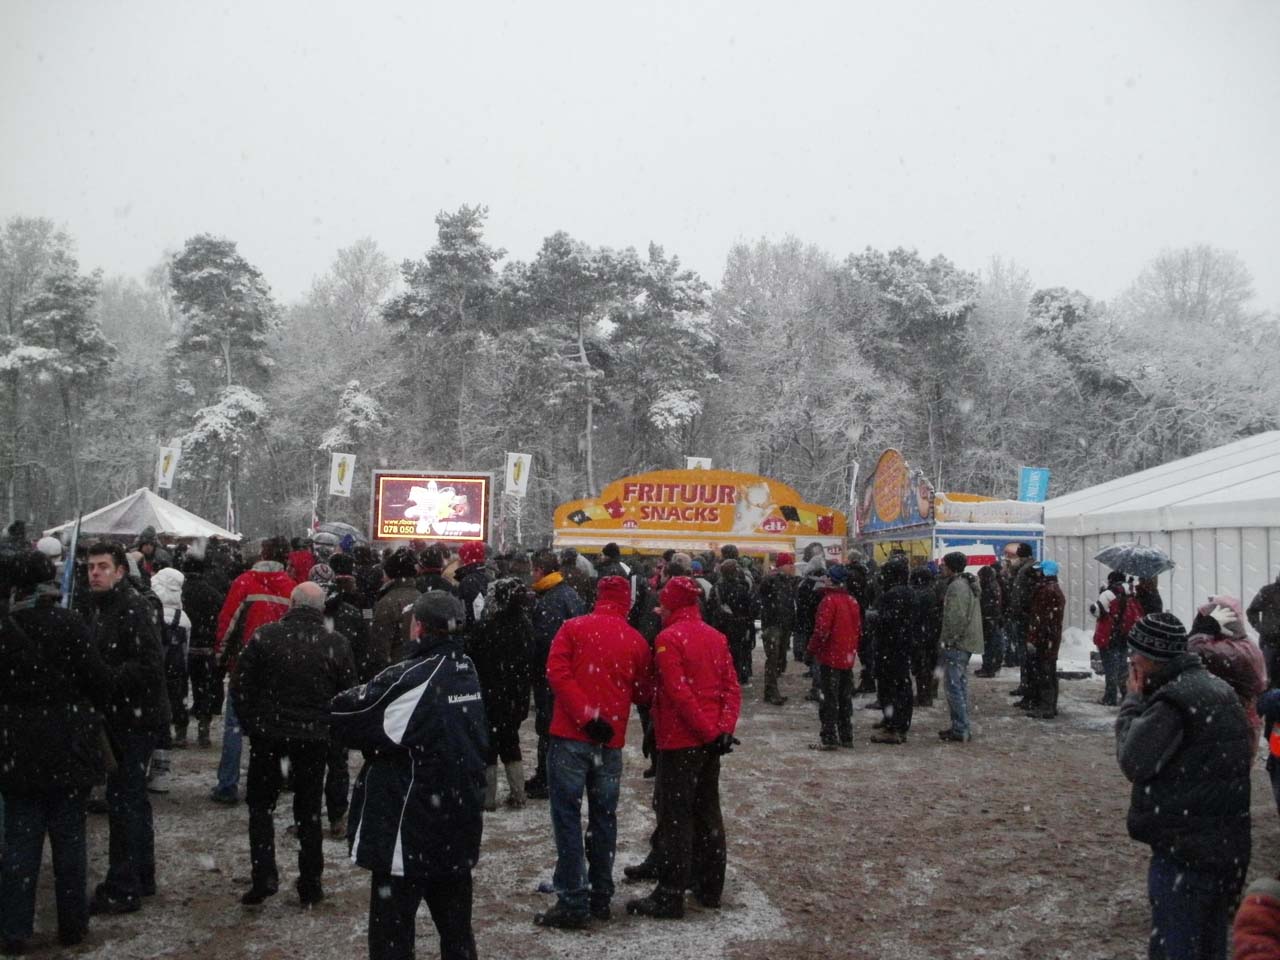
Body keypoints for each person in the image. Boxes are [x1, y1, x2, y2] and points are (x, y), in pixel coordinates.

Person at [329, 590, 488, 960]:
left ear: (418, 626)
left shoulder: (414, 677)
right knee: (457, 931)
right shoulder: (466, 669)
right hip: (457, 818)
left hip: (410, 823)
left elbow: (350, 717)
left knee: (392, 934)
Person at [1116, 612, 1252, 960]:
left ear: (1153, 657)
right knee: (1210, 944)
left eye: (1135, 652)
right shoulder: (1218, 689)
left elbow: (1134, 760)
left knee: (1176, 946)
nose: (1130, 659)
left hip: (1185, 852)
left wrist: (1132, 702)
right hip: (1225, 846)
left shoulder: (1174, 702)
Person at [0, 552, 112, 952]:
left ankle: (14, 929)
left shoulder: (7, 628)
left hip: (16, 746)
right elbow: (100, 679)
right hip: (68, 743)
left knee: (19, 844)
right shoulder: (69, 623)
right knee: (69, 841)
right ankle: (72, 923)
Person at [534, 575, 653, 929]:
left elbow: (556, 672)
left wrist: (585, 714)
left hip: (571, 735)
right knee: (604, 818)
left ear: (597, 597)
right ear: (626, 603)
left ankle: (573, 895)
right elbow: (644, 692)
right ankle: (600, 893)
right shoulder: (635, 641)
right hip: (609, 742)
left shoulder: (573, 628)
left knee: (567, 817)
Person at [231, 582, 357, 907]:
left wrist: (253, 725)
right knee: (309, 810)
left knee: (261, 807)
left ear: (291, 603)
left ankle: (264, 875)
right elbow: (348, 694)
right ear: (320, 608)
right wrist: (331, 730)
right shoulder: (335, 643)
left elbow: (240, 685)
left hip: (270, 737)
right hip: (312, 739)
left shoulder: (266, 636)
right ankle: (310, 882)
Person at [627, 577, 740, 920]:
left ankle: (671, 893)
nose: (659, 609)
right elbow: (731, 687)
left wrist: (707, 732)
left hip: (680, 740)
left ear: (672, 605)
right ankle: (709, 887)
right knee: (707, 813)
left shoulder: (668, 639)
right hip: (709, 742)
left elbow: (677, 692)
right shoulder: (715, 637)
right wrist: (723, 729)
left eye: (663, 604)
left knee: (675, 816)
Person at [85, 540, 169, 915]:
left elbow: (150, 663)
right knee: (131, 799)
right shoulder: (103, 607)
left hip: (134, 718)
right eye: (91, 567)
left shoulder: (131, 607)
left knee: (125, 801)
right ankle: (140, 875)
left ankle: (124, 884)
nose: (95, 573)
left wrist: (106, 678)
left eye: (103, 566)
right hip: (126, 715)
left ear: (120, 571)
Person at [209, 537, 295, 805]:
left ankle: (227, 785)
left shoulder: (244, 582)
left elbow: (228, 622)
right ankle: (272, 780)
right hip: (278, 668)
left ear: (262, 554)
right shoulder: (291, 587)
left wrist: (220, 658)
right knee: (276, 726)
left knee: (234, 727)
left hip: (244, 665)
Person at [465, 577, 533, 810]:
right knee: (511, 742)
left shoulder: (486, 627)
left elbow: (471, 656)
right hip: (516, 695)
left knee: (489, 747)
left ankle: (487, 798)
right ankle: (518, 793)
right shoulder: (525, 626)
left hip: (489, 694)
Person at [525, 549, 585, 800]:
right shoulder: (569, 593)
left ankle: (547, 778)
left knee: (548, 725)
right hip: (570, 672)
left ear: (539, 570)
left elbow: (546, 643)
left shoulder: (549, 599)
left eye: (533, 569)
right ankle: (554, 775)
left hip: (552, 675)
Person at [1188, 596, 1266, 749]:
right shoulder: (1245, 645)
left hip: (1231, 727)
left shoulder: (1229, 651)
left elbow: (1191, 651)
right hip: (1241, 723)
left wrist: (1203, 629)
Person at [806, 565, 861, 750]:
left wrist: (811, 650)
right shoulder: (852, 601)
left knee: (829, 697)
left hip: (830, 656)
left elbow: (822, 631)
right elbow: (857, 629)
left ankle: (829, 736)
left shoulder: (829, 601)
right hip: (846, 656)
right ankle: (846, 734)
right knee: (844, 697)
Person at [180, 547, 225, 748]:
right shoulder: (212, 593)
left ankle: (180, 731)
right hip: (205, 647)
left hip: (182, 647)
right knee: (204, 688)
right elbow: (220, 618)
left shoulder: (179, 591)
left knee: (179, 688)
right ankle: (203, 729)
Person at [937, 552, 983, 743]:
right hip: (967, 641)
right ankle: (961, 726)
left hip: (958, 643)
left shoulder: (956, 587)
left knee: (954, 686)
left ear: (951, 567)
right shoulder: (967, 584)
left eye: (944, 565)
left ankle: (960, 727)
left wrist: (948, 639)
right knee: (959, 685)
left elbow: (955, 617)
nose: (942, 568)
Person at [869, 558, 915, 745]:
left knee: (891, 687)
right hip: (902, 647)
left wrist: (873, 617)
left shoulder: (892, 595)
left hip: (890, 648)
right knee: (901, 686)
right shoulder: (909, 593)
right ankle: (896, 722)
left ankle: (894, 726)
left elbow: (888, 622)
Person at [150, 566, 192, 751]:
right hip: (176, 665)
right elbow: (186, 647)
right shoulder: (183, 617)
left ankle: (160, 730)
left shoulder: (149, 611)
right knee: (177, 696)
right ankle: (180, 730)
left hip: (157, 663)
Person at [1090, 571, 1142, 706]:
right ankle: (1126, 695)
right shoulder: (1131, 592)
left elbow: (1096, 612)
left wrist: (1100, 598)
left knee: (1110, 668)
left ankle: (1110, 697)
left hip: (1109, 636)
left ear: (1111, 580)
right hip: (1124, 635)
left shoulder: (1107, 594)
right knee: (1122, 667)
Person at [1023, 560, 1065, 720]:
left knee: (1045, 672)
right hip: (1049, 637)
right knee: (1048, 671)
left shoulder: (1046, 590)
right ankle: (1049, 705)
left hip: (1045, 638)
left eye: (1039, 571)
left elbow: (1040, 618)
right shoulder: (1052, 589)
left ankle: (1046, 706)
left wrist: (1033, 637)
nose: (1036, 573)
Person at [369, 548, 420, 675]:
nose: (382, 578)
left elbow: (379, 649)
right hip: (418, 670)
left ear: (391, 575)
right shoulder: (422, 597)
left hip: (395, 673)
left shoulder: (387, 603)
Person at [757, 553, 797, 707]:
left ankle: (771, 690)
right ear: (782, 566)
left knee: (779, 659)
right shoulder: (772, 580)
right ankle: (772, 691)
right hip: (774, 625)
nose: (792, 567)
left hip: (782, 624)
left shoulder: (787, 581)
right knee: (773, 659)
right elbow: (763, 598)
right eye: (789, 564)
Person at [908, 566, 942, 708]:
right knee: (929, 665)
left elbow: (914, 616)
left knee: (921, 667)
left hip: (920, 635)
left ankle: (924, 696)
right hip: (931, 634)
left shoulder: (918, 594)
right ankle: (928, 693)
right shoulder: (932, 591)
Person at [1247, 571, 1280, 688]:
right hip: (1269, 643)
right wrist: (1262, 629)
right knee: (1267, 679)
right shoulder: (1267, 591)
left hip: (1269, 643)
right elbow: (1251, 611)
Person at [973, 563, 1006, 678]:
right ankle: (988, 666)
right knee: (992, 645)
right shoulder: (994, 585)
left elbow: (986, 605)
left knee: (989, 646)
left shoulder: (988, 587)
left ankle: (988, 668)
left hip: (988, 620)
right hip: (993, 619)